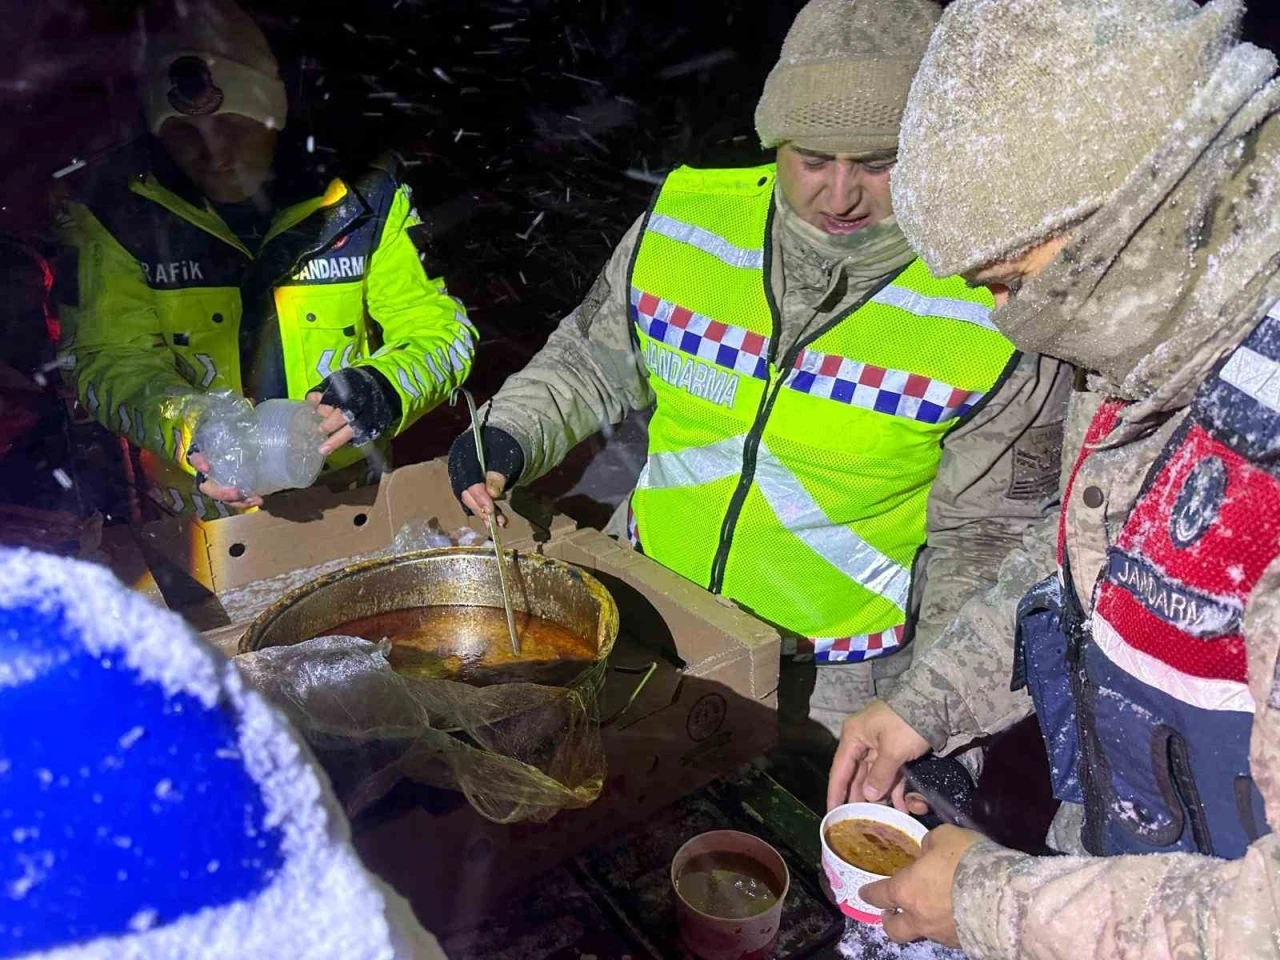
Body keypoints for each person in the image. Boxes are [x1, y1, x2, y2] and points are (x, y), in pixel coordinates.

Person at [449, 0, 1069, 738]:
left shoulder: (991, 300)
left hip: (840, 678)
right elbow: (589, 360)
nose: (839, 196)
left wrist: (930, 720)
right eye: (812, 159)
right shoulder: (687, 222)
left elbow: (984, 546)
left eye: (878, 163)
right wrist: (507, 434)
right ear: (773, 140)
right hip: (649, 606)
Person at [829, 0, 1280, 955]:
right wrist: (928, 702)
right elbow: (1105, 548)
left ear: (1124, 219)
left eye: (1006, 283)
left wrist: (1000, 905)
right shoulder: (1169, 335)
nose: (1005, 323)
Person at [55, 0, 476, 519]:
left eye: (234, 126)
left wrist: (385, 387)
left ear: (273, 113)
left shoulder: (367, 199)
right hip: (197, 522)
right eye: (184, 135)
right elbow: (105, 361)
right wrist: (192, 428)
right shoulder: (117, 215)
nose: (215, 153)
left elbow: (444, 334)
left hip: (352, 501)